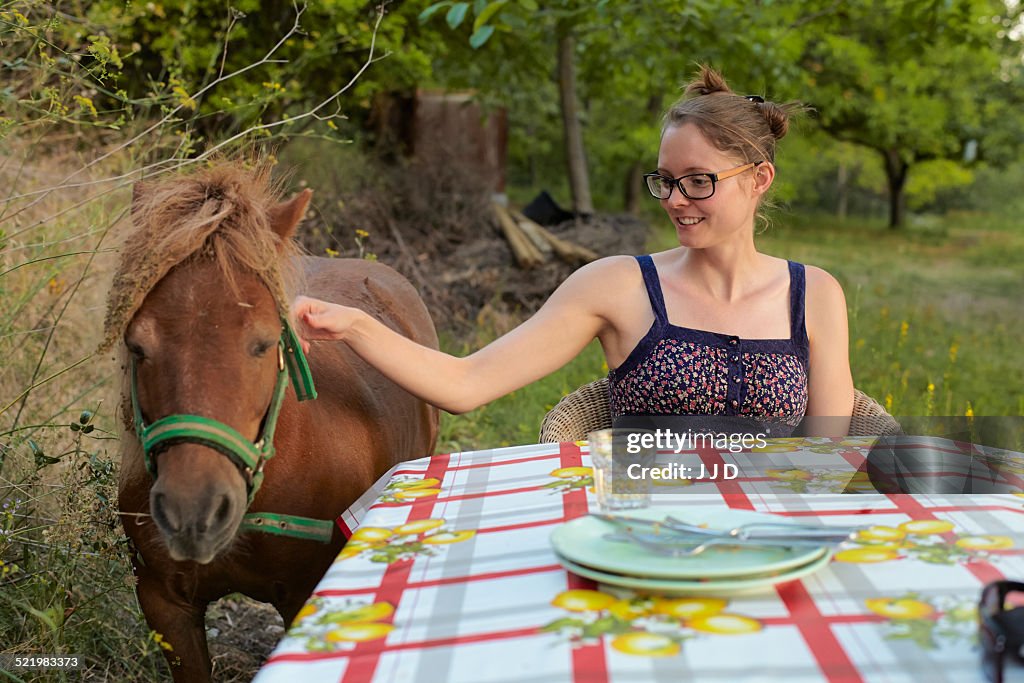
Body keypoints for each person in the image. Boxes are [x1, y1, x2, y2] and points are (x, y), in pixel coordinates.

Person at [291, 66, 854, 437]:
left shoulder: (816, 295)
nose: (677, 200)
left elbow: (825, 462)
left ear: (759, 179)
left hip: (773, 540)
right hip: (638, 543)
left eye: (699, 181)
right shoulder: (615, 286)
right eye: (665, 180)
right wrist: (353, 326)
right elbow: (465, 385)